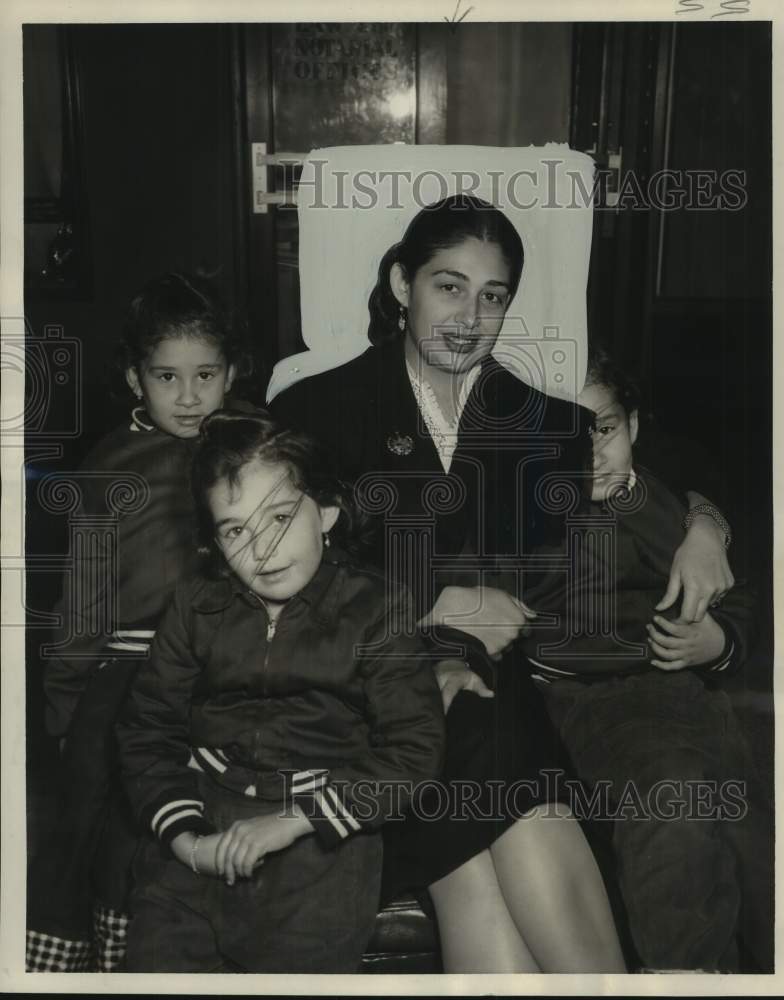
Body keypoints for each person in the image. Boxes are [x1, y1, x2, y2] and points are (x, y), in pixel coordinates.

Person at [271, 194, 736, 972]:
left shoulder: (545, 424)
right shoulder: (313, 410)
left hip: (491, 685)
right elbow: (278, 569)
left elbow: (674, 459)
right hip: (361, 682)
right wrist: (430, 606)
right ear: (399, 285)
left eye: (492, 296)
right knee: (489, 751)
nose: (468, 315)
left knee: (481, 839)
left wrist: (703, 519)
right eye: (447, 286)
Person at [116, 410, 446, 973]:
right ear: (214, 543)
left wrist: (293, 821)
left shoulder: (376, 611)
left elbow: (413, 754)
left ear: (328, 513)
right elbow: (146, 730)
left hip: (319, 838)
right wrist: (187, 840)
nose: (261, 550)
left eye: (279, 517)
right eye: (235, 530)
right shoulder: (196, 606)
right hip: (204, 818)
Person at [522, 345, 773, 972]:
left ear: (631, 426)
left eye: (604, 428)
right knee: (673, 799)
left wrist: (719, 641)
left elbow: (733, 588)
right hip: (597, 696)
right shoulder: (542, 512)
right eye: (566, 435)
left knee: (755, 828)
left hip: (691, 688)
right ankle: (683, 973)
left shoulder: (664, 498)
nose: (592, 451)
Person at [26, 273, 243, 972]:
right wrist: (66, 707)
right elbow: (82, 605)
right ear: (133, 380)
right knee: (100, 818)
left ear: (230, 374)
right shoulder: (108, 470)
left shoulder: (251, 454)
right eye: (166, 377)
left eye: (205, 375)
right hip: (126, 669)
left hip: (227, 667)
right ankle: (111, 959)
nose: (188, 395)